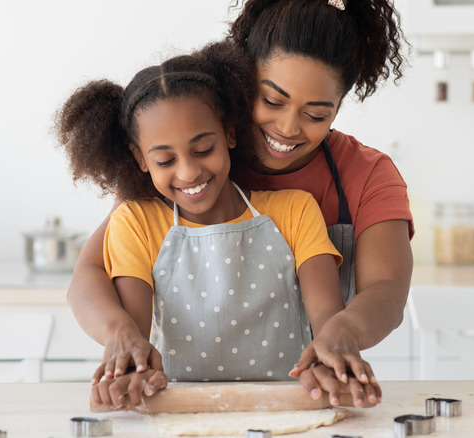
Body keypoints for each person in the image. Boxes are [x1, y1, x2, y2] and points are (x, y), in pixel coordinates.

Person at [65, 0, 414, 408]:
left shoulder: (359, 179)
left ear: (338, 106)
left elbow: (387, 289)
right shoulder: (185, 154)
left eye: (316, 114)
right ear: (245, 79)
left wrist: (343, 333)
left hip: (297, 395)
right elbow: (91, 272)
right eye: (272, 100)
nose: (287, 128)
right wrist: (120, 336)